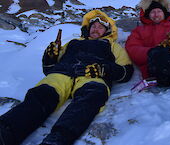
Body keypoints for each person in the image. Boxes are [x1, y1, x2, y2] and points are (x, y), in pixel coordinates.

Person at [0, 10, 133, 145]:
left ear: (107, 30)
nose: (96, 29)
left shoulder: (112, 46)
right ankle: (5, 132)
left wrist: (104, 69)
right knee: (41, 94)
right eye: (93, 26)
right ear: (88, 28)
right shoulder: (72, 43)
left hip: (92, 76)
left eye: (100, 27)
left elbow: (126, 72)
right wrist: (50, 56)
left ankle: (57, 140)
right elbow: (49, 69)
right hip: (61, 74)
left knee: (90, 98)